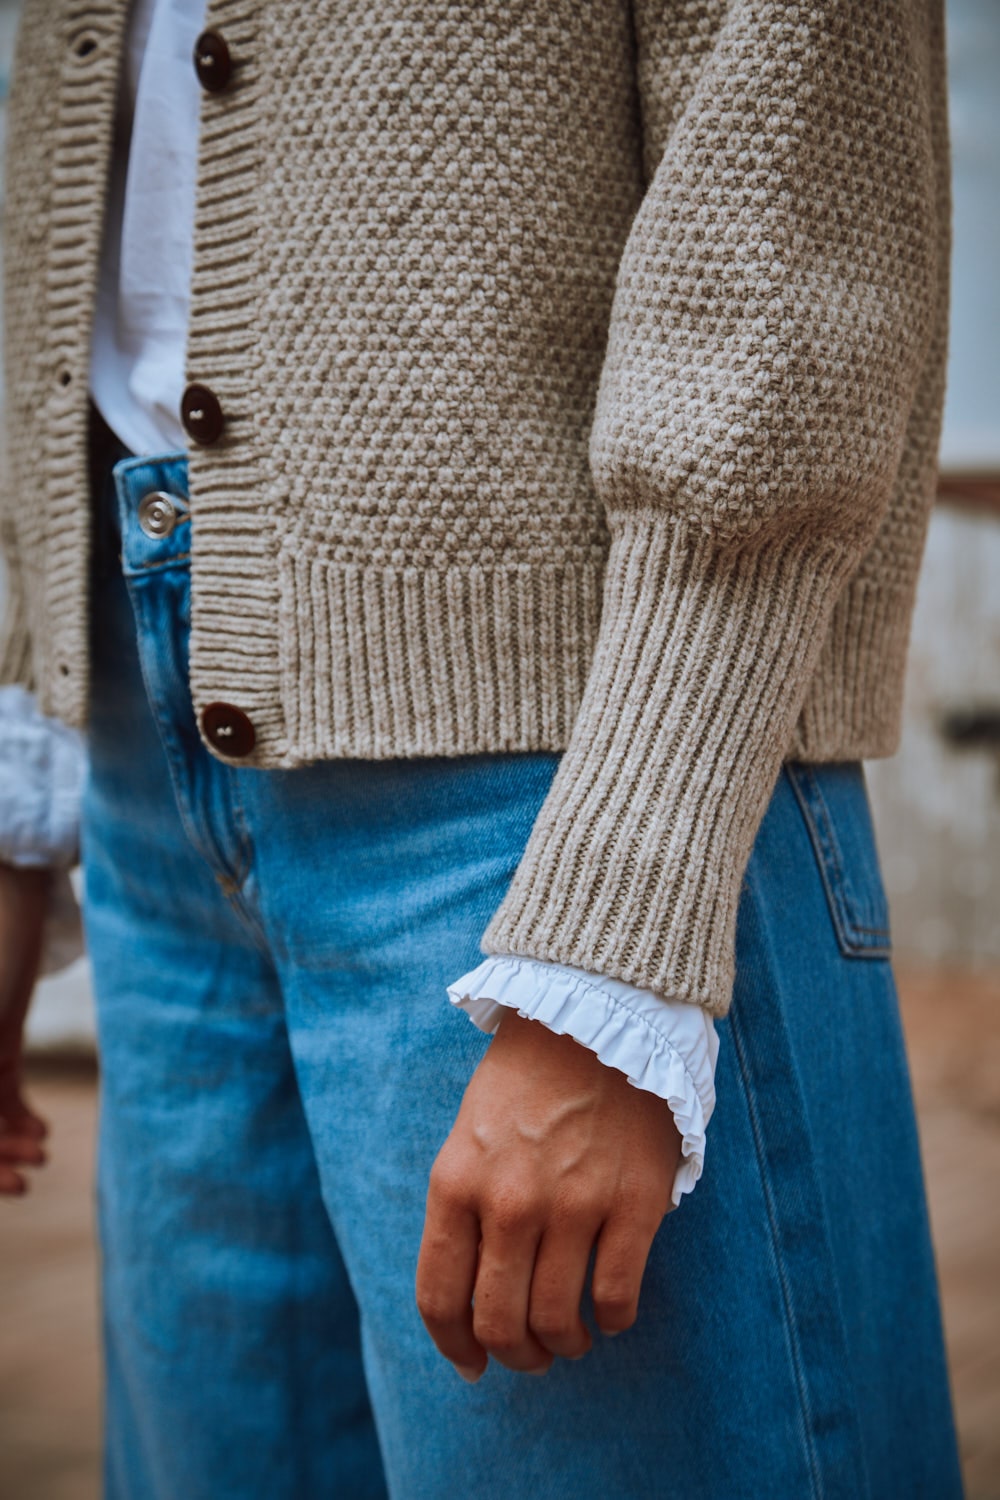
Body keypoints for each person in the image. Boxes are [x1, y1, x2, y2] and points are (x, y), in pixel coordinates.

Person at [0, 0, 964, 1495]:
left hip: (557, 788)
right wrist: (28, 758)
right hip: (149, 742)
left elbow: (792, 204)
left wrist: (614, 953)